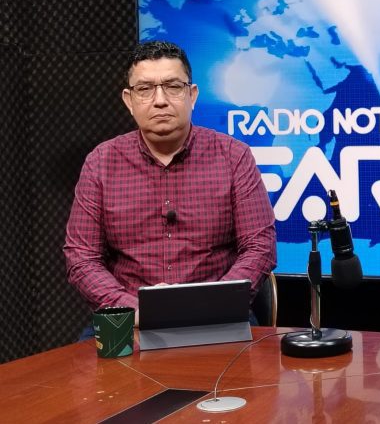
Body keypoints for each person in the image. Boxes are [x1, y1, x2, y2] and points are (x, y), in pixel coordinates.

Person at [64, 41, 276, 327]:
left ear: (192, 95)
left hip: (218, 317)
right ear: (129, 100)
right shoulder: (101, 162)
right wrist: (134, 309)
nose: (160, 100)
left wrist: (212, 303)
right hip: (129, 319)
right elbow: (81, 257)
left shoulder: (233, 156)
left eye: (173, 86)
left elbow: (260, 247)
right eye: (145, 89)